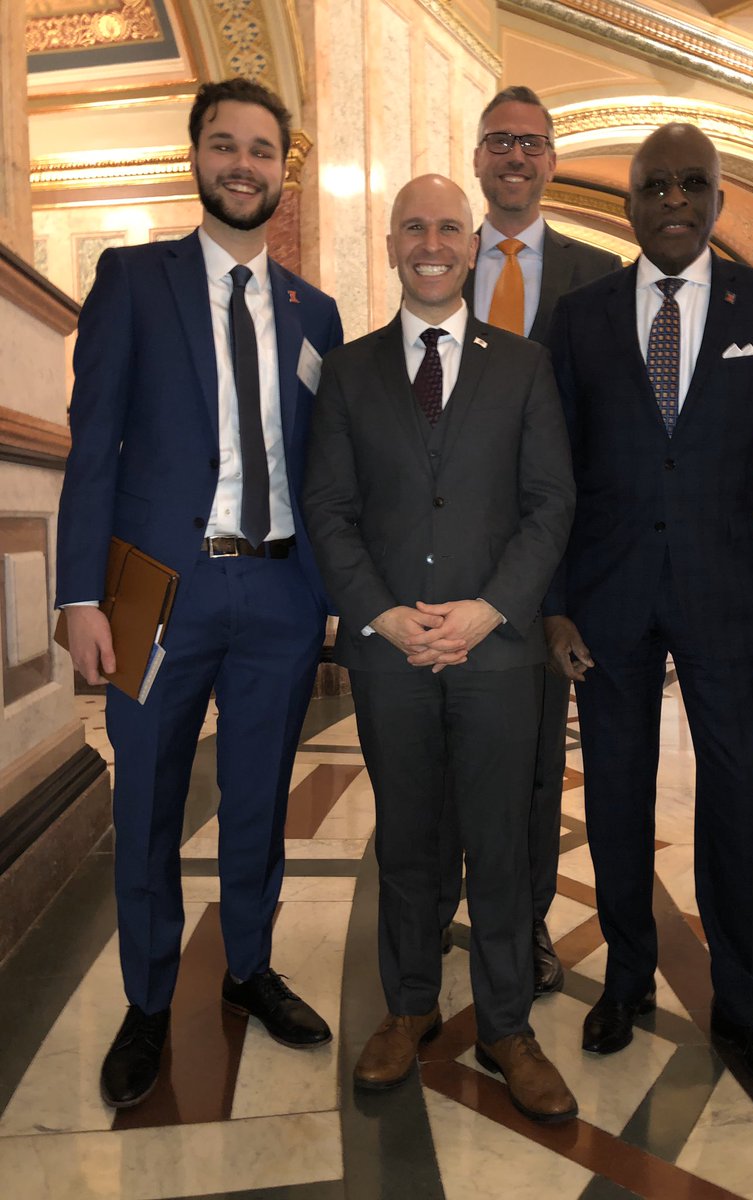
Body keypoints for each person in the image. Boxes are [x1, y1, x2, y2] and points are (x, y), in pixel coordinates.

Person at [55, 77, 343, 1109]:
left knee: (261, 798)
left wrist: (336, 589)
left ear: (282, 170)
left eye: (261, 150)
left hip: (278, 592)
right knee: (147, 800)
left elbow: (324, 469)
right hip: (150, 591)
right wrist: (79, 596)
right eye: (225, 145)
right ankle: (146, 996)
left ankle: (252, 967)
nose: (243, 164)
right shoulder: (133, 279)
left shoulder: (318, 310)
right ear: (197, 157)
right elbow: (93, 450)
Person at [546, 123, 753, 1100]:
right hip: (609, 600)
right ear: (629, 203)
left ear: (717, 200)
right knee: (617, 798)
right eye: (655, 185)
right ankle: (627, 978)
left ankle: (746, 1010)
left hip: (730, 603)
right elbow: (549, 477)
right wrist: (552, 604)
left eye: (693, 185)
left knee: (735, 802)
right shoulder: (578, 317)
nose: (674, 200)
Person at [303, 174, 577, 1123]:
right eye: (413, 227)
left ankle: (508, 1025)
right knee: (410, 841)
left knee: (501, 845)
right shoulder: (348, 371)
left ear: (472, 248)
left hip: (498, 657)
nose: (431, 241)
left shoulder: (526, 367)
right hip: (390, 658)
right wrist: (380, 614)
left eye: (448, 228)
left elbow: (550, 506)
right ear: (391, 247)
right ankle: (409, 1006)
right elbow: (329, 511)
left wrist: (489, 610)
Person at [432, 86, 620, 996]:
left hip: (552, 571)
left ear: (552, 161)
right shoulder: (437, 266)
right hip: (443, 557)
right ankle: (427, 911)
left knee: (541, 767)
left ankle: (528, 922)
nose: (516, 156)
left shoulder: (599, 277)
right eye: (499, 141)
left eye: (533, 143)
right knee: (433, 754)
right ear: (477, 158)